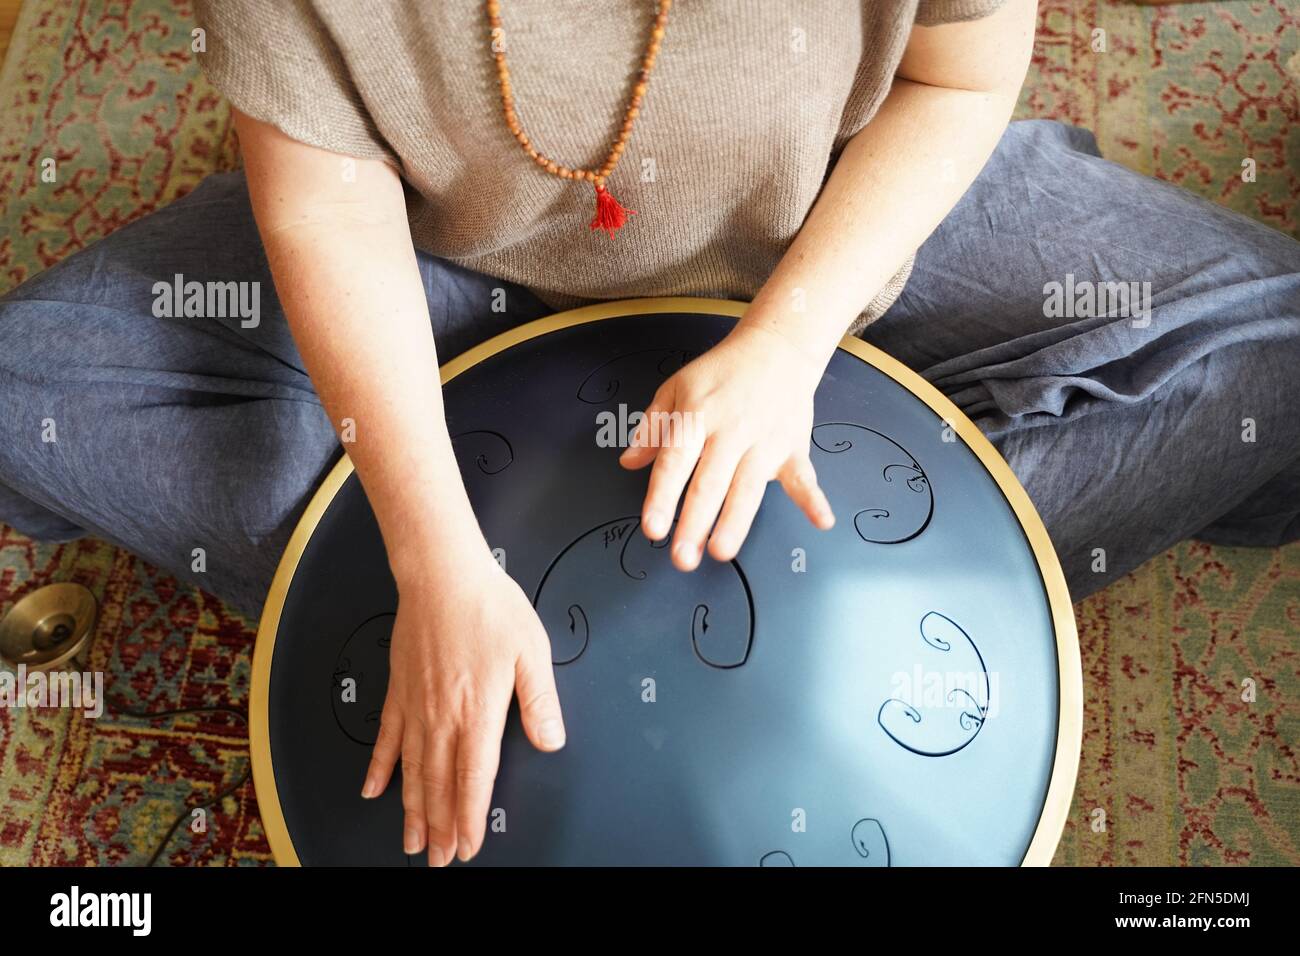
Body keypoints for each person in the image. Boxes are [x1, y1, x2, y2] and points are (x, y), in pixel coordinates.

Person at [0, 0, 1296, 868]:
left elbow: (954, 74)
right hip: (445, 243)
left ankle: (828, 577)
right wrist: (434, 556)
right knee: (25, 393)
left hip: (826, 211)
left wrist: (791, 346)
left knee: (1276, 351)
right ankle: (536, 537)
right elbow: (329, 206)